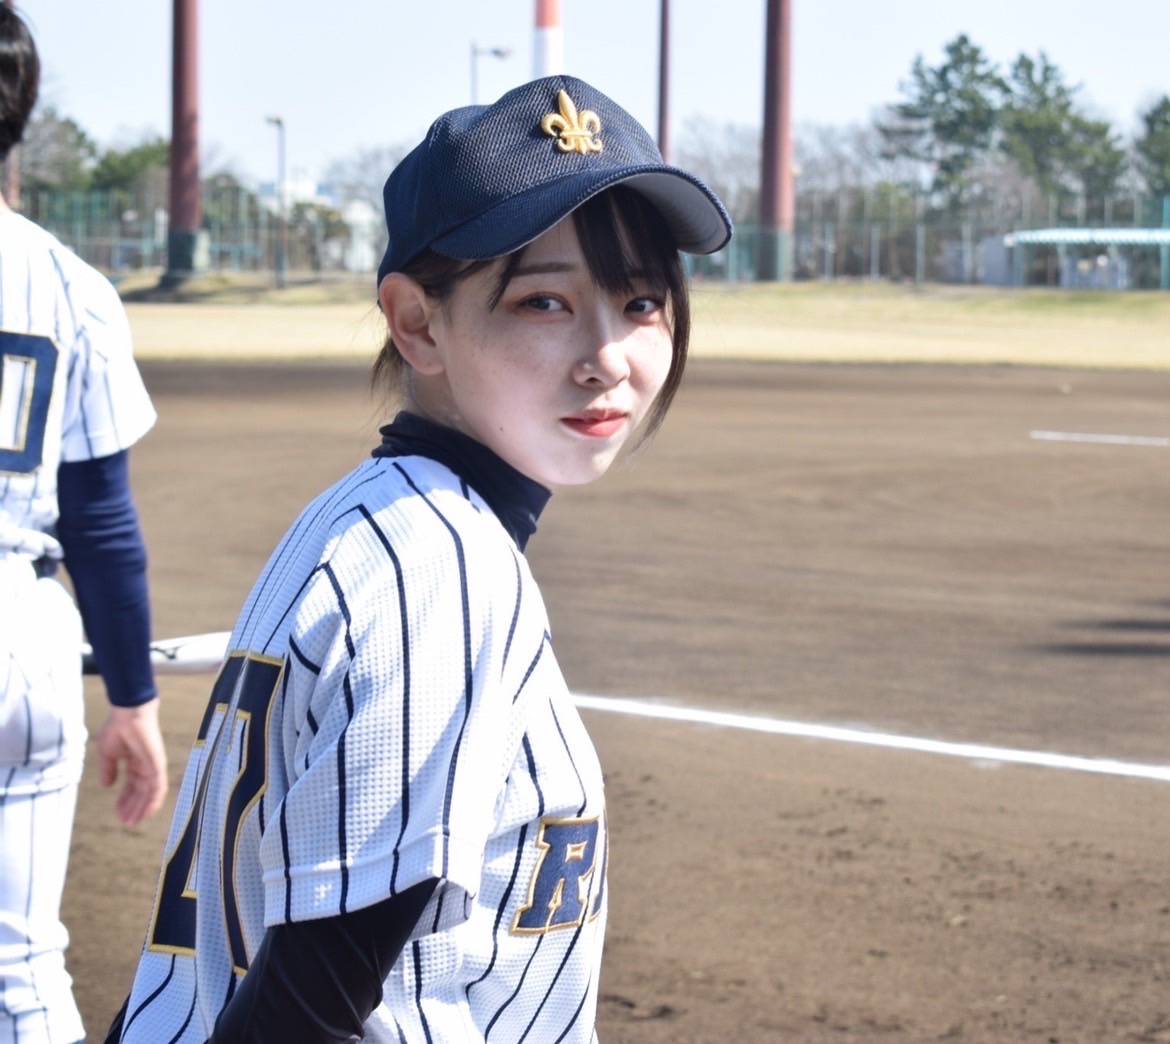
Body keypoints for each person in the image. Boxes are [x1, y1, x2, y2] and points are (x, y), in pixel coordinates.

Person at [109, 76, 730, 1043]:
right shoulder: (442, 572)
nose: (606, 354)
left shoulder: (363, 520)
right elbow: (307, 1010)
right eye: (543, 303)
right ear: (417, 321)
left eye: (639, 300)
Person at [0, 8, 169, 1044]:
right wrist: (134, 699)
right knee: (20, 964)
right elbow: (101, 519)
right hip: (25, 635)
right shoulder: (68, 283)